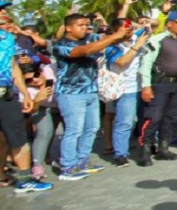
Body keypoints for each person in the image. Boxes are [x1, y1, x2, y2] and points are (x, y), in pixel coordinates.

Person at [53, 13, 130, 180]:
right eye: (80, 25)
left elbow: (109, 40)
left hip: (91, 90)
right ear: (68, 27)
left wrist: (125, 34)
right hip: (70, 94)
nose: (85, 28)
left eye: (86, 25)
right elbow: (88, 50)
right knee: (74, 130)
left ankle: (82, 161)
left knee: (92, 128)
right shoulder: (61, 45)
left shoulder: (90, 37)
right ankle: (67, 166)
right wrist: (115, 36)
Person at [137, 11, 177, 166]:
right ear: (169, 24)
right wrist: (146, 86)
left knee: (171, 117)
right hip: (160, 83)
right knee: (154, 117)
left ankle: (163, 148)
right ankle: (145, 149)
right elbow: (146, 63)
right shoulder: (158, 40)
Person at [0, 15, 48, 193]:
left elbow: (12, 68)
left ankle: (25, 179)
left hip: (6, 96)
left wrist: (25, 93)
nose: (3, 16)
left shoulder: (6, 40)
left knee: (17, 137)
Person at [104, 19, 150, 167]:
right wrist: (136, 47)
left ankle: (146, 148)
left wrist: (139, 24)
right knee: (124, 122)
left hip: (142, 87)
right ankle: (121, 154)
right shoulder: (112, 47)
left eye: (130, 29)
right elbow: (122, 62)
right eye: (125, 29)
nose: (129, 31)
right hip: (125, 90)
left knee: (145, 120)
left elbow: (153, 25)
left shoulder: (136, 38)